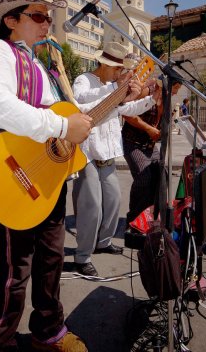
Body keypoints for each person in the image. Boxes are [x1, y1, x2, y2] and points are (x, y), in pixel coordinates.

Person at [0, 0, 145, 352]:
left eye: (48, 17)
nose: (48, 23)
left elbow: (75, 114)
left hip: (47, 179)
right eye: (38, 15)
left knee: (49, 262)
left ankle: (48, 332)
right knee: (14, 271)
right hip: (10, 173)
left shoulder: (40, 65)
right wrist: (63, 125)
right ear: (12, 20)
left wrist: (118, 97)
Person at [72, 42, 161, 277]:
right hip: (87, 155)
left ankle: (104, 241)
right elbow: (80, 101)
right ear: (104, 64)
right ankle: (83, 256)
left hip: (107, 153)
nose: (119, 73)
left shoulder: (113, 84)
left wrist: (151, 99)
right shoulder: (84, 80)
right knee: (90, 208)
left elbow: (127, 108)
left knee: (113, 201)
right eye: (115, 68)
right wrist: (114, 87)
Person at [122, 81, 182, 224]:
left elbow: (160, 123)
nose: (176, 92)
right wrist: (148, 129)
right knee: (144, 178)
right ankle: (134, 220)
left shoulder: (167, 100)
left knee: (161, 176)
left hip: (150, 146)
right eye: (175, 87)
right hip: (133, 143)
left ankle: (151, 217)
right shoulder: (146, 91)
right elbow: (127, 113)